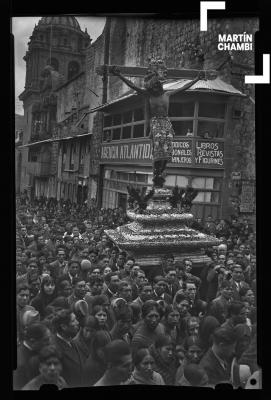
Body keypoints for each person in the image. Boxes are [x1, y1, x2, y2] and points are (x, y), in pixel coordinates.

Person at [110, 62, 203, 187]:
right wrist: (120, 75)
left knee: (167, 150)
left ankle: (160, 171)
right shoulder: (149, 95)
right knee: (158, 147)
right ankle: (156, 171)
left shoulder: (168, 94)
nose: (154, 89)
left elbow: (184, 87)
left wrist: (197, 78)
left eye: (155, 87)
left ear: (159, 86)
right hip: (156, 122)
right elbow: (132, 85)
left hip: (166, 122)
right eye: (152, 88)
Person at [13, 322, 52, 389]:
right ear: (32, 341)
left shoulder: (37, 349)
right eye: (46, 340)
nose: (50, 343)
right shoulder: (20, 364)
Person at [51, 309, 82, 387]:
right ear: (64, 326)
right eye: (73, 321)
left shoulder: (71, 340)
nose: (77, 323)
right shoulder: (55, 349)